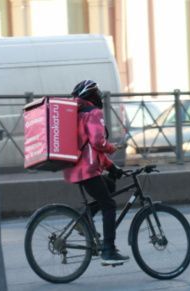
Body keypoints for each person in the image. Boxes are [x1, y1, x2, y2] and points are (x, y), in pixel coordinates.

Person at [63, 80, 129, 266]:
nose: (100, 97)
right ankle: (109, 250)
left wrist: (111, 168)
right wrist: (112, 148)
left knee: (109, 185)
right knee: (109, 205)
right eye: (97, 94)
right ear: (91, 96)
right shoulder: (93, 113)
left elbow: (88, 149)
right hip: (87, 170)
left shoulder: (74, 115)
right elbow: (98, 143)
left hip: (74, 168)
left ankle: (82, 221)